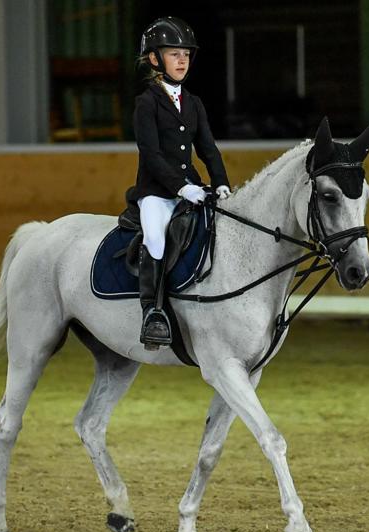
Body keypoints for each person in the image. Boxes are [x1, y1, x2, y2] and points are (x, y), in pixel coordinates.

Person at [130, 16, 231, 350]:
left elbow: (208, 149)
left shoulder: (194, 102)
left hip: (192, 189)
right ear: (155, 59)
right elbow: (151, 155)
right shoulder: (146, 103)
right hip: (157, 193)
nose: (182, 60)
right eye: (174, 54)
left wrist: (221, 183)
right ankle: (153, 312)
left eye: (186, 54)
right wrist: (180, 187)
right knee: (156, 238)